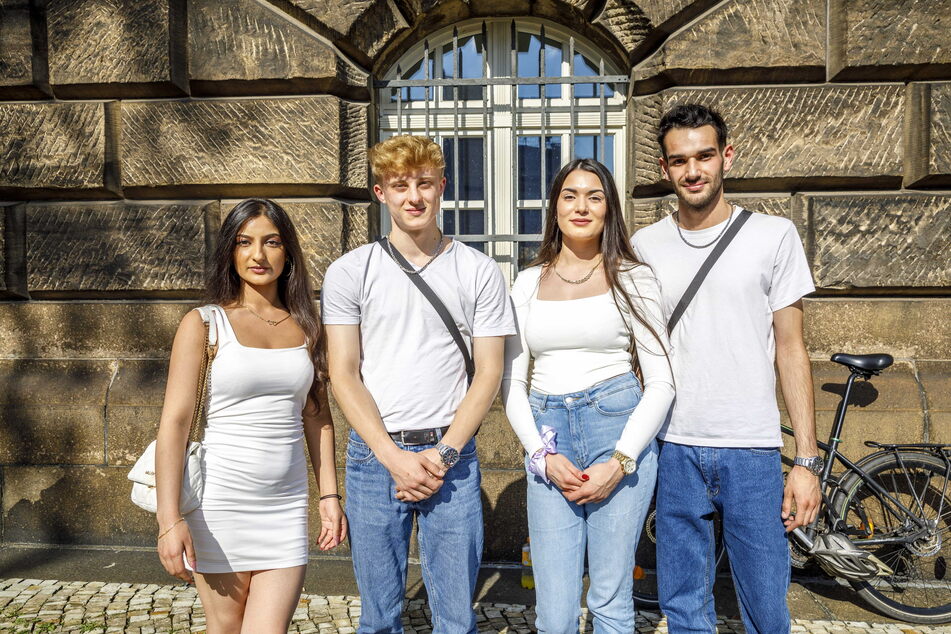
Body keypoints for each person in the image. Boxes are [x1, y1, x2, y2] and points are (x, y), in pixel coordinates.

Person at [632, 104, 821, 633]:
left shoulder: (774, 235)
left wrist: (806, 460)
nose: (693, 171)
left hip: (752, 448)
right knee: (683, 602)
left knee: (766, 603)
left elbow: (791, 349)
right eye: (679, 161)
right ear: (666, 170)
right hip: (674, 445)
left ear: (726, 156)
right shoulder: (645, 247)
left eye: (705, 156)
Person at [321, 135, 516, 634]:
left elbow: (489, 371)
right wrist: (392, 457)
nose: (414, 196)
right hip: (374, 458)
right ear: (379, 192)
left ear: (442, 187)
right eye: (400, 185)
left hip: (451, 457)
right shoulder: (350, 271)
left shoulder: (478, 270)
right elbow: (344, 372)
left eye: (424, 183)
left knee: (455, 618)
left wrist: (444, 455)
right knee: (379, 617)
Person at [155, 198, 347, 633]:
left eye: (271, 242)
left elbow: (317, 417)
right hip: (220, 507)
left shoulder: (308, 326)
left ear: (288, 252)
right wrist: (169, 521)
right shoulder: (204, 324)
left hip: (285, 507)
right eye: (245, 242)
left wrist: (330, 497)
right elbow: (175, 425)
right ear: (230, 251)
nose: (258, 255)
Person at [501, 158, 675, 633]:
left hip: (616, 430)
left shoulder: (634, 277)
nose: (581, 206)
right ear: (555, 206)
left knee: (611, 600)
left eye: (594, 196)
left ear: (609, 208)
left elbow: (661, 383)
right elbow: (511, 384)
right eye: (570, 195)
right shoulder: (526, 283)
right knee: (553, 610)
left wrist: (620, 460)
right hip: (548, 435)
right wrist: (540, 455)